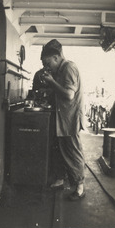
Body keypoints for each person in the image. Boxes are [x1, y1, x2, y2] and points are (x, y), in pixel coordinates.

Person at [41, 41, 85, 201]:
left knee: (73, 152)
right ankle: (60, 180)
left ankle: (80, 187)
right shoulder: (60, 70)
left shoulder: (69, 68)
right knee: (60, 150)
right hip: (62, 117)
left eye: (48, 63)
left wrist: (52, 82)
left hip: (70, 118)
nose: (48, 67)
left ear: (56, 57)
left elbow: (69, 94)